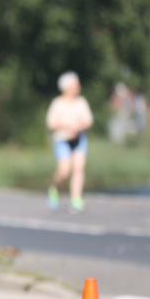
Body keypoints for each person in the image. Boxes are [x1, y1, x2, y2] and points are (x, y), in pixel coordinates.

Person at [46, 71, 93, 213]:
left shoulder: (81, 102)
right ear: (67, 87)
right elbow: (51, 123)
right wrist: (67, 127)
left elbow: (88, 121)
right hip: (62, 140)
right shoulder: (57, 103)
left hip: (79, 139)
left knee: (78, 168)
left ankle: (76, 199)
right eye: (75, 84)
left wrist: (78, 128)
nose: (78, 86)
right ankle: (54, 188)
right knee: (65, 171)